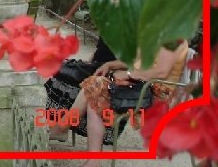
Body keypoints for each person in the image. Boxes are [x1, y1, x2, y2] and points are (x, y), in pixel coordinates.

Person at [49, 42, 189, 161]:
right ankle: (91, 157)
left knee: (96, 87)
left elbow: (161, 72)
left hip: (155, 93)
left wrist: (128, 74)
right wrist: (110, 65)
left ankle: (63, 128)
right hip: (141, 84)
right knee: (95, 89)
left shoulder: (173, 37)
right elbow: (137, 61)